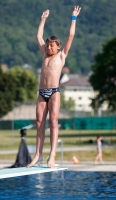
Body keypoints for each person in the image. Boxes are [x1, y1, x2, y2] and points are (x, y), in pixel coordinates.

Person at [27, 5, 81, 168]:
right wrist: (43, 19)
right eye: (48, 45)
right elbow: (38, 36)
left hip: (54, 92)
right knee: (39, 123)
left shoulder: (62, 55)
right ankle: (38, 154)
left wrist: (73, 18)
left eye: (52, 45)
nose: (49, 47)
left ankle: (52, 155)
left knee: (53, 122)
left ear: (58, 46)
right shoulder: (44, 54)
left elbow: (71, 35)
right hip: (42, 92)